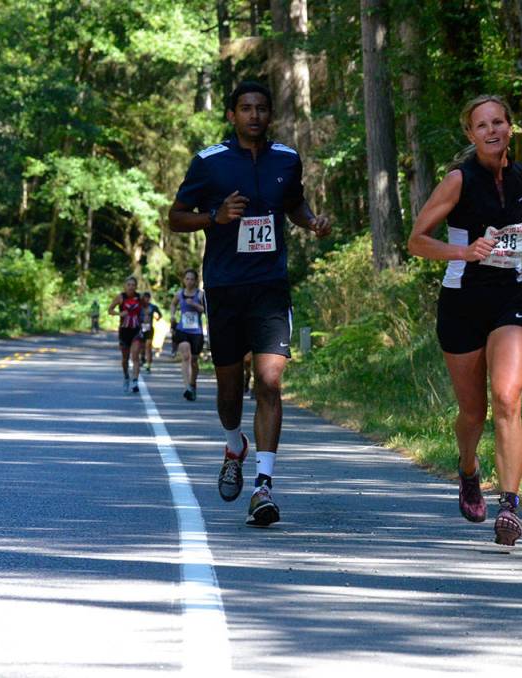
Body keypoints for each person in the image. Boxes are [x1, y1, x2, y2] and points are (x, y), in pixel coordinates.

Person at [407, 95, 522, 546]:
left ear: (510, 127)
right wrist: (464, 251)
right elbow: (417, 241)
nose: (492, 130)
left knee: (507, 397)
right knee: (473, 413)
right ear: (471, 134)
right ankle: (467, 467)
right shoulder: (458, 181)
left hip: (509, 298)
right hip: (461, 302)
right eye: (482, 125)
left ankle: (510, 506)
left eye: (498, 122)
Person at [169, 81, 331, 527]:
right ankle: (233, 445)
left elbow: (294, 203)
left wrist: (311, 222)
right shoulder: (209, 162)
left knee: (269, 383)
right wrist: (214, 217)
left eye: (261, 108)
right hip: (225, 288)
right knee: (228, 392)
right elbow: (175, 217)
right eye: (245, 108)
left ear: (270, 114)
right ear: (232, 115)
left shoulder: (287, 159)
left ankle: (263, 486)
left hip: (270, 287)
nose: (254, 115)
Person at [170, 270, 205, 400]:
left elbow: (206, 310)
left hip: (196, 332)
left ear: (195, 281)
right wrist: (172, 315)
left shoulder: (200, 295)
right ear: (184, 280)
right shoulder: (179, 294)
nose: (189, 281)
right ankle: (187, 388)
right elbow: (173, 304)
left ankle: (193, 383)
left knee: (194, 361)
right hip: (182, 330)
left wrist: (195, 304)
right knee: (185, 356)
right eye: (187, 279)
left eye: (192, 279)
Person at [107, 276, 146, 394]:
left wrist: (145, 318)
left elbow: (146, 309)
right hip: (124, 331)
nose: (131, 287)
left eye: (133, 285)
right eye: (128, 285)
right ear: (125, 286)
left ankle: (135, 381)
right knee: (125, 359)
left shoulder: (140, 297)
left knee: (135, 356)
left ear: (136, 286)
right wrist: (119, 314)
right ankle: (126, 377)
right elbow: (110, 310)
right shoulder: (120, 297)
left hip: (136, 330)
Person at [138, 292, 163, 373]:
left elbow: (160, 314)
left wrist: (157, 318)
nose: (146, 300)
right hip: (140, 328)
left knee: (148, 346)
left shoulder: (152, 307)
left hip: (149, 328)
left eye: (148, 298)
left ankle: (149, 365)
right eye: (145, 298)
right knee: (141, 346)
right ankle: (142, 357)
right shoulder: (139, 306)